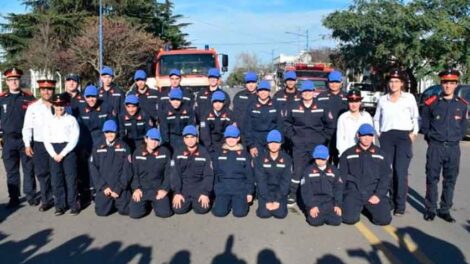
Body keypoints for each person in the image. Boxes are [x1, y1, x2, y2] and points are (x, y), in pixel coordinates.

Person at [421, 68, 468, 223]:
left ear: (456, 84)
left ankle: (445, 209)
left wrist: (457, 137)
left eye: (451, 83)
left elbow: (462, 125)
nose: (448, 86)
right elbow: (425, 124)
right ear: (441, 84)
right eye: (445, 83)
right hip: (436, 146)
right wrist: (431, 137)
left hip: (453, 148)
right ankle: (430, 209)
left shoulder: (462, 105)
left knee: (450, 180)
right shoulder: (432, 103)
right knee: (432, 178)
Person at [373, 69, 419, 216]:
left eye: (397, 81)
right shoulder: (382, 99)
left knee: (400, 171)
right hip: (387, 136)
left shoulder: (409, 98)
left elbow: (416, 118)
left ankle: (400, 205)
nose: (393, 84)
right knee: (388, 171)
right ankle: (391, 201)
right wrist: (379, 133)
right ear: (388, 83)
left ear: (402, 83)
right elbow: (376, 118)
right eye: (391, 81)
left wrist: (413, 134)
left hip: (403, 137)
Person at [284, 80, 335, 206]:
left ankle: (316, 193)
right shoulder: (294, 106)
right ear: (301, 92)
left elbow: (330, 126)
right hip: (299, 144)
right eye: (305, 91)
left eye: (310, 91)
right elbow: (286, 124)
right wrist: (293, 138)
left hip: (316, 146)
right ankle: (293, 194)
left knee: (316, 169)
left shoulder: (322, 107)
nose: (307, 93)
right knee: (298, 170)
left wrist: (323, 139)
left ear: (314, 92)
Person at [340, 124, 392, 226]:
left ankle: (367, 208)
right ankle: (355, 206)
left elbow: (386, 177)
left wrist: (378, 195)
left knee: (384, 220)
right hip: (354, 192)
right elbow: (342, 177)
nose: (367, 138)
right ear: (358, 136)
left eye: (370, 135)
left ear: (373, 136)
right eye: (364, 135)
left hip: (373, 191)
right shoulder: (348, 154)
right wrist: (340, 198)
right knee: (348, 219)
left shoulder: (381, 154)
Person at [0, 68, 36, 208]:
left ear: (19, 81)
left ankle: (31, 195)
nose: (14, 82)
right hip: (8, 140)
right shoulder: (1, 98)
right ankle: (14, 197)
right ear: (7, 82)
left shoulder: (29, 98)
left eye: (16, 79)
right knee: (11, 170)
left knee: (28, 168)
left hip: (25, 140)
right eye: (11, 80)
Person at [43, 94, 80, 215]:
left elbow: (74, 138)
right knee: (56, 180)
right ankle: (60, 206)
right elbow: (46, 139)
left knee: (71, 179)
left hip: (68, 150)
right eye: (57, 105)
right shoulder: (49, 121)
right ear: (53, 105)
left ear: (65, 105)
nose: (59, 108)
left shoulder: (71, 119)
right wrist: (54, 154)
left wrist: (63, 153)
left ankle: (73, 204)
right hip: (54, 150)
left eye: (61, 105)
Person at [23, 79, 56, 212]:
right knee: (43, 173)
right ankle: (46, 200)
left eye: (49, 89)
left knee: (57, 172)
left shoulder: (59, 105)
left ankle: (59, 198)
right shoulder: (33, 107)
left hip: (56, 143)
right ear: (40, 91)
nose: (46, 92)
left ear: (53, 90)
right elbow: (27, 128)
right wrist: (27, 144)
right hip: (40, 144)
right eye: (43, 89)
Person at [77, 85, 112, 203]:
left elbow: (110, 126)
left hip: (101, 140)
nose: (91, 99)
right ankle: (87, 191)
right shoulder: (80, 109)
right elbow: (78, 128)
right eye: (89, 97)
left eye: (93, 96)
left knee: (100, 167)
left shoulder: (105, 107)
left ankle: (99, 190)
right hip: (85, 141)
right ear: (85, 98)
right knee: (86, 167)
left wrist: (105, 144)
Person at [89, 120, 132, 216]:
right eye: (107, 132)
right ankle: (110, 202)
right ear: (104, 132)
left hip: (119, 186)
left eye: (112, 132)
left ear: (116, 132)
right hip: (105, 186)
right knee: (101, 212)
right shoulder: (97, 147)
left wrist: (119, 188)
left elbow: (127, 170)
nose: (110, 134)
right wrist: (103, 187)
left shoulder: (124, 147)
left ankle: (116, 201)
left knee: (126, 210)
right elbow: (93, 168)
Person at [129, 128, 173, 218]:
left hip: (158, 188)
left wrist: (165, 189)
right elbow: (134, 173)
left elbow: (169, 173)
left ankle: (155, 203)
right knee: (135, 214)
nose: (153, 142)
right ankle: (147, 204)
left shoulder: (165, 152)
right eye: (151, 139)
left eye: (156, 140)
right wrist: (136, 188)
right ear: (146, 139)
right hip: (142, 189)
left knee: (164, 213)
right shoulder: (137, 153)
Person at [212, 125, 254, 217]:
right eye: (228, 137)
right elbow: (215, 173)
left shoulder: (244, 154)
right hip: (223, 188)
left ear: (238, 138)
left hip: (239, 188)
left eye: (234, 137)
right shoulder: (218, 153)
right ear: (225, 137)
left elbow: (249, 175)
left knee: (240, 213)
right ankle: (227, 202)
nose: (231, 139)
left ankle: (236, 203)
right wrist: (216, 190)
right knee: (219, 213)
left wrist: (249, 192)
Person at [171, 125, 213, 215]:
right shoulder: (178, 152)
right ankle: (187, 200)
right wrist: (177, 192)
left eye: (192, 137)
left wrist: (205, 192)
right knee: (178, 209)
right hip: (184, 187)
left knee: (202, 209)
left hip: (199, 186)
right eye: (187, 137)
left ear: (197, 138)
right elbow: (175, 174)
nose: (190, 140)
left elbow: (208, 175)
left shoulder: (204, 152)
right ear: (184, 139)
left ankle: (207, 197)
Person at [300, 145, 343, 226]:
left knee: (337, 221)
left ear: (327, 157)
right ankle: (318, 213)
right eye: (318, 158)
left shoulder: (334, 170)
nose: (320, 161)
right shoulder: (308, 171)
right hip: (315, 201)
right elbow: (306, 191)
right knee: (315, 222)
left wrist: (338, 205)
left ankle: (325, 213)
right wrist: (312, 206)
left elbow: (338, 189)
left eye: (323, 158)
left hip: (330, 202)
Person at [254, 130, 291, 219]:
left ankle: (281, 202)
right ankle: (262, 203)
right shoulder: (260, 159)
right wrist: (267, 200)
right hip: (265, 191)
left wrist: (277, 200)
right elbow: (261, 181)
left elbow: (286, 182)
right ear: (267, 143)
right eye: (271, 142)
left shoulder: (287, 159)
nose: (273, 145)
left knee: (280, 214)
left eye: (276, 142)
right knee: (264, 214)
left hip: (280, 191)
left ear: (281, 143)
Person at [316, 70, 348, 165]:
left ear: (341, 83)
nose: (334, 84)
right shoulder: (321, 97)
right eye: (331, 82)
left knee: (341, 162)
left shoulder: (347, 97)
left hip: (342, 134)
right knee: (325, 162)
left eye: (336, 82)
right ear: (328, 82)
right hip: (325, 134)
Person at [244, 80, 283, 158]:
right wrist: (251, 145)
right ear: (257, 92)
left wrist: (279, 142)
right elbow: (247, 127)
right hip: (256, 141)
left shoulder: (276, 105)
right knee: (257, 165)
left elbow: (280, 125)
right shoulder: (251, 106)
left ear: (269, 92)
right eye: (261, 90)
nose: (263, 92)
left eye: (265, 90)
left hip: (272, 140)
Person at [336, 89, 373, 157]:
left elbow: (371, 136)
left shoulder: (366, 116)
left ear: (360, 102)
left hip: (365, 154)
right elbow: (340, 140)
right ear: (348, 102)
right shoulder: (343, 118)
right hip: (348, 154)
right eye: (351, 101)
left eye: (356, 101)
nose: (354, 104)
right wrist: (343, 155)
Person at [200, 91, 234, 155]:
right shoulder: (206, 114)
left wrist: (225, 147)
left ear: (224, 102)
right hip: (210, 144)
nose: (218, 104)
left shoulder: (229, 114)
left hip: (225, 144)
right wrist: (210, 148)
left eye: (220, 102)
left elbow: (229, 133)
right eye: (215, 102)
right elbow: (204, 134)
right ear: (212, 102)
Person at [232, 71, 258, 138]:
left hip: (256, 132)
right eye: (248, 82)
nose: (251, 85)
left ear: (256, 83)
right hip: (241, 132)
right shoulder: (239, 95)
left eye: (253, 82)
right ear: (245, 84)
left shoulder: (261, 95)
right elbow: (234, 112)